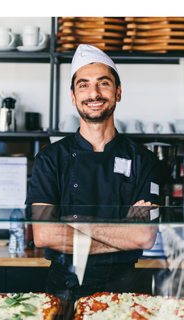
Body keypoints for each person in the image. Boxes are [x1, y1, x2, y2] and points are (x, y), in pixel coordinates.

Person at [25, 44, 161, 300]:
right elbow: (43, 235)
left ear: (118, 92)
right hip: (64, 288)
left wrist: (74, 222)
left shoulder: (145, 160)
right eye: (84, 85)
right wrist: (122, 231)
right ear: (74, 97)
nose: (94, 93)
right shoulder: (50, 159)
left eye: (104, 83)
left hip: (125, 290)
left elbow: (144, 236)